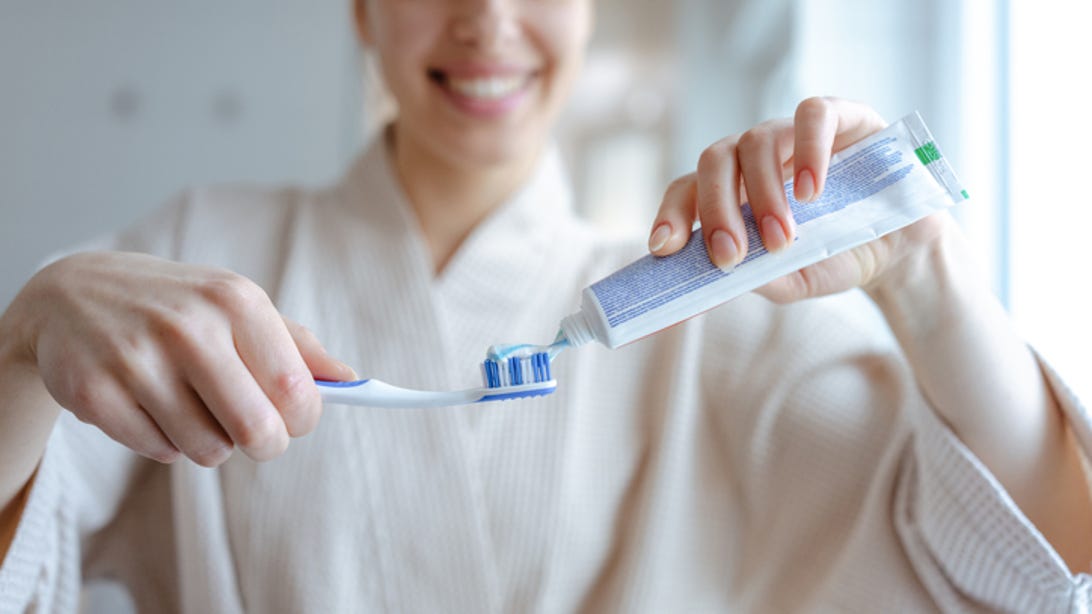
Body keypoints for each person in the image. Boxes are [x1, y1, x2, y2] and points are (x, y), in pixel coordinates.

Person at [1, 0, 1090, 611]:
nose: (488, 21)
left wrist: (924, 276)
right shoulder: (200, 250)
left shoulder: (710, 307)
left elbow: (1033, 554)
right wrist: (21, 346)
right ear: (363, 10)